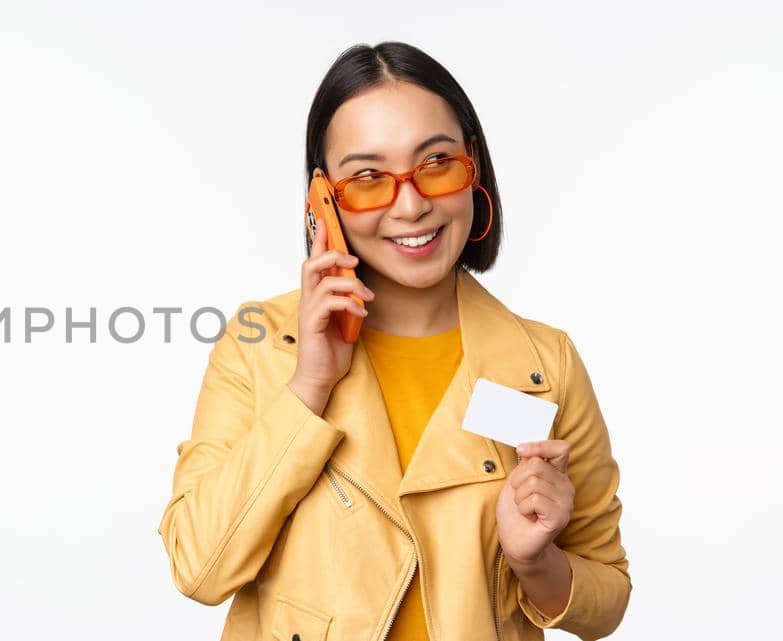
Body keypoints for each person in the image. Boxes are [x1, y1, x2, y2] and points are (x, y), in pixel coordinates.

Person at [156, 42, 630, 641]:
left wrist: (537, 562)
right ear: (323, 200)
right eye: (367, 178)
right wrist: (308, 387)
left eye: (436, 163)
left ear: (472, 165)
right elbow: (197, 567)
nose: (411, 205)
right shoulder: (261, 344)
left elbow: (607, 596)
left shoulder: (544, 363)